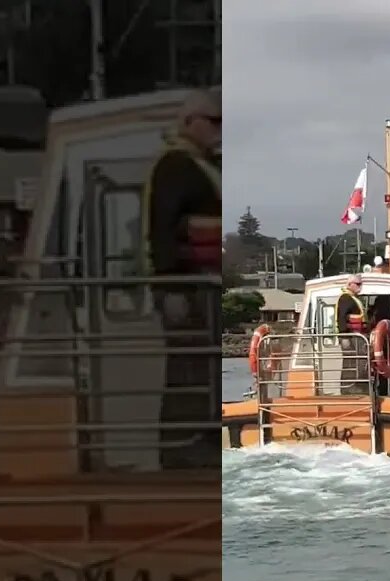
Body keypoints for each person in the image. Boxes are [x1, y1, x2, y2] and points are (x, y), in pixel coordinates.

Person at [142, 87, 221, 469]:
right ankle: (182, 447)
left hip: (205, 285)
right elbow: (161, 228)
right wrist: (170, 285)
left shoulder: (204, 164)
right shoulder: (176, 165)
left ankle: (201, 439)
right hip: (188, 286)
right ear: (190, 122)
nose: (219, 130)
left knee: (204, 364)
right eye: (213, 122)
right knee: (188, 367)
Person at [335, 275, 368, 394]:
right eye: (358, 284)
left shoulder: (353, 298)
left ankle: (359, 385)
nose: (360, 287)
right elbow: (341, 318)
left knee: (360, 361)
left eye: (361, 284)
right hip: (351, 336)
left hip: (358, 336)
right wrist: (344, 336)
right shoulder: (345, 298)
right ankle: (348, 387)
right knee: (350, 362)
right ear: (350, 285)